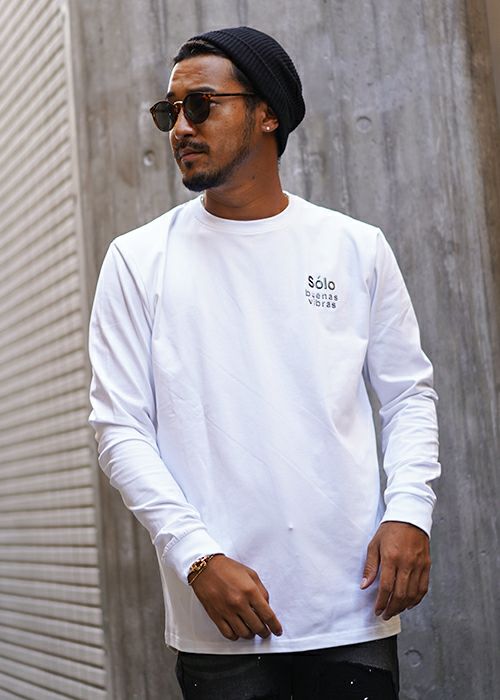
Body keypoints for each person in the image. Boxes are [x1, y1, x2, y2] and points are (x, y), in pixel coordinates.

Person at [88, 26, 440, 700]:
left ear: (267, 113)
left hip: (352, 603)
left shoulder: (354, 248)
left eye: (201, 106)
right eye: (169, 112)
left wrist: (409, 512)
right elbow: (119, 428)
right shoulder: (138, 260)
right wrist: (197, 557)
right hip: (222, 617)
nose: (180, 129)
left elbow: (408, 396)